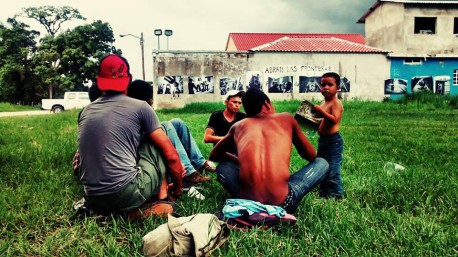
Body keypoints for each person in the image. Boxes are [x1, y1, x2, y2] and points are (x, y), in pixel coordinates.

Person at [77, 54, 183, 216]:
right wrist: (178, 188)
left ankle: (112, 213)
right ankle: (162, 198)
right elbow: (171, 157)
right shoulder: (140, 107)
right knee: (156, 140)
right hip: (125, 193)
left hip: (93, 198)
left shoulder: (86, 111)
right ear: (129, 79)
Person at [209, 88, 329, 214]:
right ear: (267, 104)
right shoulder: (286, 118)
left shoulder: (238, 126)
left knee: (223, 167)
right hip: (284, 203)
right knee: (321, 162)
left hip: (248, 203)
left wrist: (238, 160)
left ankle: (251, 202)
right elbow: (311, 156)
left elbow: (214, 156)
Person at [127, 79, 214, 184]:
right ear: (148, 100)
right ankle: (188, 173)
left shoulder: (137, 108)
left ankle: (199, 164)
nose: (152, 102)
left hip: (144, 140)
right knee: (165, 125)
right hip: (140, 151)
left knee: (177, 123)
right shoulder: (135, 110)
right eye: (151, 100)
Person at [312, 72, 344, 199]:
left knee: (332, 168)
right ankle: (325, 191)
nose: (325, 87)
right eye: (323, 84)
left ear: (338, 88)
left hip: (333, 141)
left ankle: (335, 194)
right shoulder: (323, 103)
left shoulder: (336, 103)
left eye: (330, 84)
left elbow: (334, 119)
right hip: (323, 141)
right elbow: (320, 121)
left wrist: (320, 111)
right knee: (322, 166)